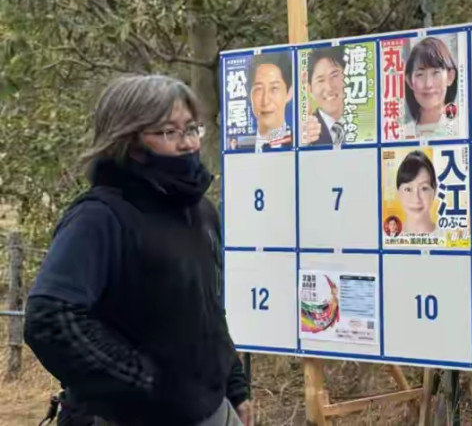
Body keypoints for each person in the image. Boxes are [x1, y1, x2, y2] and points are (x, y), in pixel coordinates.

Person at [24, 75, 252, 426]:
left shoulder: (201, 212)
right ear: (128, 141)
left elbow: (208, 309)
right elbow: (50, 318)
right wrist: (147, 381)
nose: (187, 143)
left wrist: (235, 387)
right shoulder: (99, 217)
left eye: (191, 129)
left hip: (209, 409)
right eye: (168, 132)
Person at [403, 37, 458, 138]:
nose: (428, 84)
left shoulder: (460, 128)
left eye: (436, 73)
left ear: (450, 76)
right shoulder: (401, 134)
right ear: (409, 81)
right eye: (420, 74)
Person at [303, 47, 347, 146]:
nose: (329, 87)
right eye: (320, 80)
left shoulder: (365, 124)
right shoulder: (306, 134)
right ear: (310, 90)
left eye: (334, 76)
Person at [249, 52, 293, 150]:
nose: (265, 101)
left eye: (274, 88)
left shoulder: (299, 141)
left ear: (289, 93)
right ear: (250, 95)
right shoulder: (238, 145)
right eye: (259, 89)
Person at [396, 150, 438, 234]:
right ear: (398, 193)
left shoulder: (449, 237)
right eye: (408, 189)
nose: (416, 199)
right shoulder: (388, 237)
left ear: (434, 191)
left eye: (424, 188)